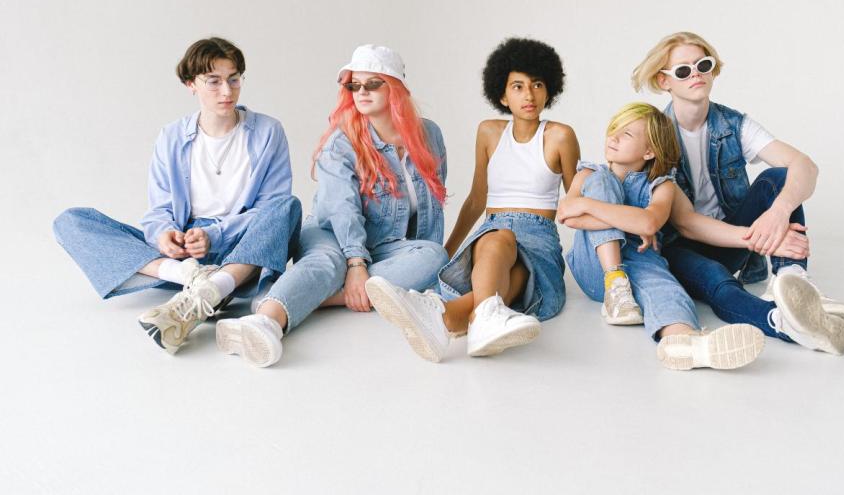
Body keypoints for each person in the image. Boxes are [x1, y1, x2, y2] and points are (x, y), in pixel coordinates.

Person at [53, 37, 301, 354]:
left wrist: (214, 235)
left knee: (288, 206)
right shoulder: (171, 136)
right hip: (187, 253)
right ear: (191, 84)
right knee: (71, 221)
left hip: (244, 246)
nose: (227, 91)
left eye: (234, 79)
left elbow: (271, 207)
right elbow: (160, 209)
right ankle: (192, 279)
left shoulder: (268, 131)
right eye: (213, 81)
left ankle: (214, 288)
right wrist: (164, 235)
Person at [216, 44, 449, 367]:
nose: (361, 92)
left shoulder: (429, 135)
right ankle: (264, 321)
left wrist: (425, 269)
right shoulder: (343, 142)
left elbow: (433, 204)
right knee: (329, 263)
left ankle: (320, 296)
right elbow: (343, 209)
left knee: (435, 256)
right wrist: (355, 264)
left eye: (372, 84)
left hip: (385, 244)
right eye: (354, 85)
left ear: (395, 87)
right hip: (331, 233)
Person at [630, 31, 844, 356]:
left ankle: (792, 280)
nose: (695, 75)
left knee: (779, 178)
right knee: (718, 280)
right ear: (665, 81)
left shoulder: (732, 124)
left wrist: (777, 214)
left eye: (703, 65)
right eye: (683, 70)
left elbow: (805, 166)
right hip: (680, 249)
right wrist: (757, 238)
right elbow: (686, 223)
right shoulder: (657, 137)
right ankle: (785, 323)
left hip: (732, 240)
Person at [365, 37, 580, 362]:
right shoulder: (489, 132)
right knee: (499, 238)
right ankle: (478, 320)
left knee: (517, 272)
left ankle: (442, 315)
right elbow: (477, 199)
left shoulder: (561, 136)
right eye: (518, 86)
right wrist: (447, 252)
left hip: (539, 237)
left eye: (537, 85)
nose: (529, 95)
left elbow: (577, 201)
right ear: (502, 96)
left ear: (549, 89)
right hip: (492, 232)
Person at [560, 102, 799, 370]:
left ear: (649, 151)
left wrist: (587, 205)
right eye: (613, 130)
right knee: (602, 183)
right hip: (594, 266)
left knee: (668, 291)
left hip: (641, 260)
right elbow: (567, 215)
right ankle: (615, 281)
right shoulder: (589, 174)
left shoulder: (662, 186)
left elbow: (650, 223)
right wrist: (632, 222)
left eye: (625, 134)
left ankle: (686, 343)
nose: (612, 138)